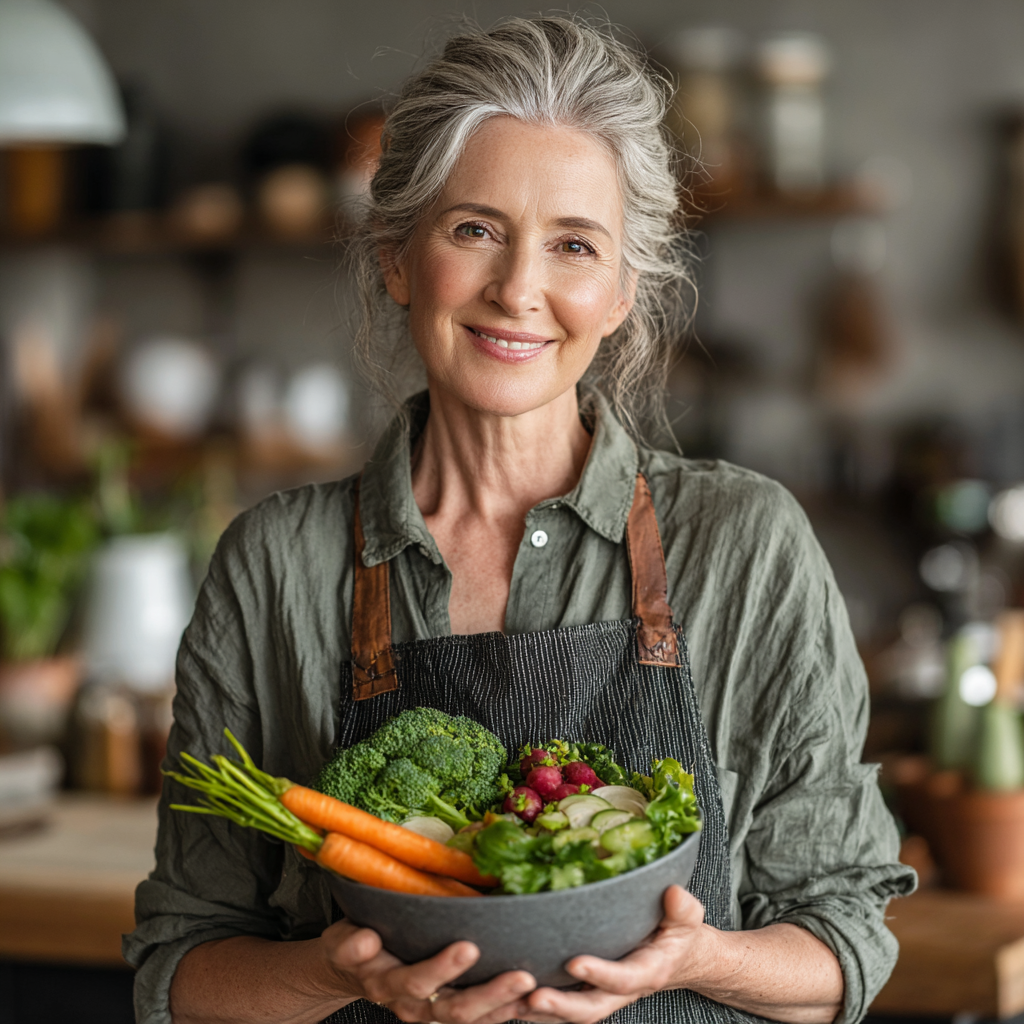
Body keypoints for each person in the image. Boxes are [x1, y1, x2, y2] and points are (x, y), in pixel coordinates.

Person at [125, 17, 915, 1024]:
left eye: (572, 245)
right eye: (474, 229)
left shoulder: (743, 542)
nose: (517, 289)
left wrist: (693, 957)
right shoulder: (277, 563)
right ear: (396, 255)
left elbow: (844, 941)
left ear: (624, 292)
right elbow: (180, 971)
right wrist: (337, 972)